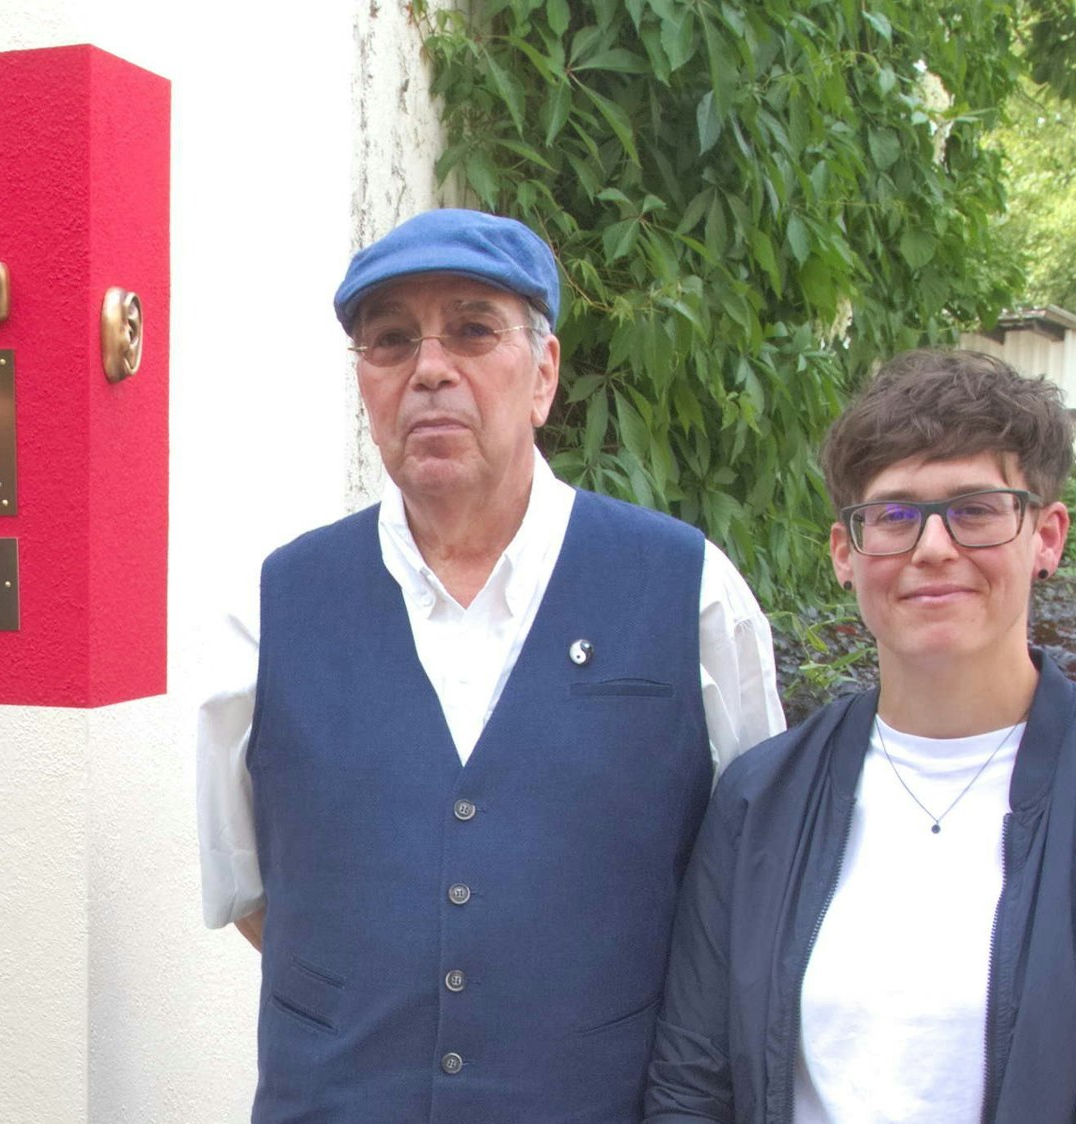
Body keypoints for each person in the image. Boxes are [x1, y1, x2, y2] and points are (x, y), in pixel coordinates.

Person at [195, 208, 784, 1121]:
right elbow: (255, 897)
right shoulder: (273, 604)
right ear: (366, 384)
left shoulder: (689, 589)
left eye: (472, 329)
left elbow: (748, 893)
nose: (429, 369)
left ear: (543, 372)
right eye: (390, 342)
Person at [644, 349, 1076, 1122]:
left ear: (1045, 537)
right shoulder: (761, 803)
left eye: (975, 508)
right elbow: (692, 1083)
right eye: (893, 515)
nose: (932, 548)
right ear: (846, 555)